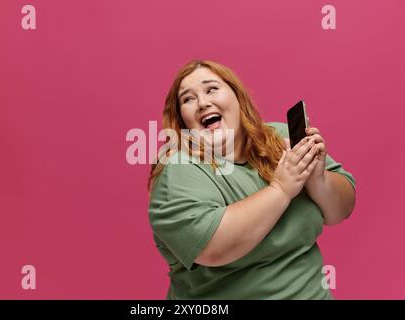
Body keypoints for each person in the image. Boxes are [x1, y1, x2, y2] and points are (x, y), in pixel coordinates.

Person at [147, 59, 356, 300]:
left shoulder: (281, 137)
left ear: (237, 95)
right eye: (188, 99)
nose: (203, 102)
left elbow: (341, 210)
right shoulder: (178, 171)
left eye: (211, 89)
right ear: (182, 119)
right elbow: (212, 249)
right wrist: (281, 188)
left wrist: (318, 180)